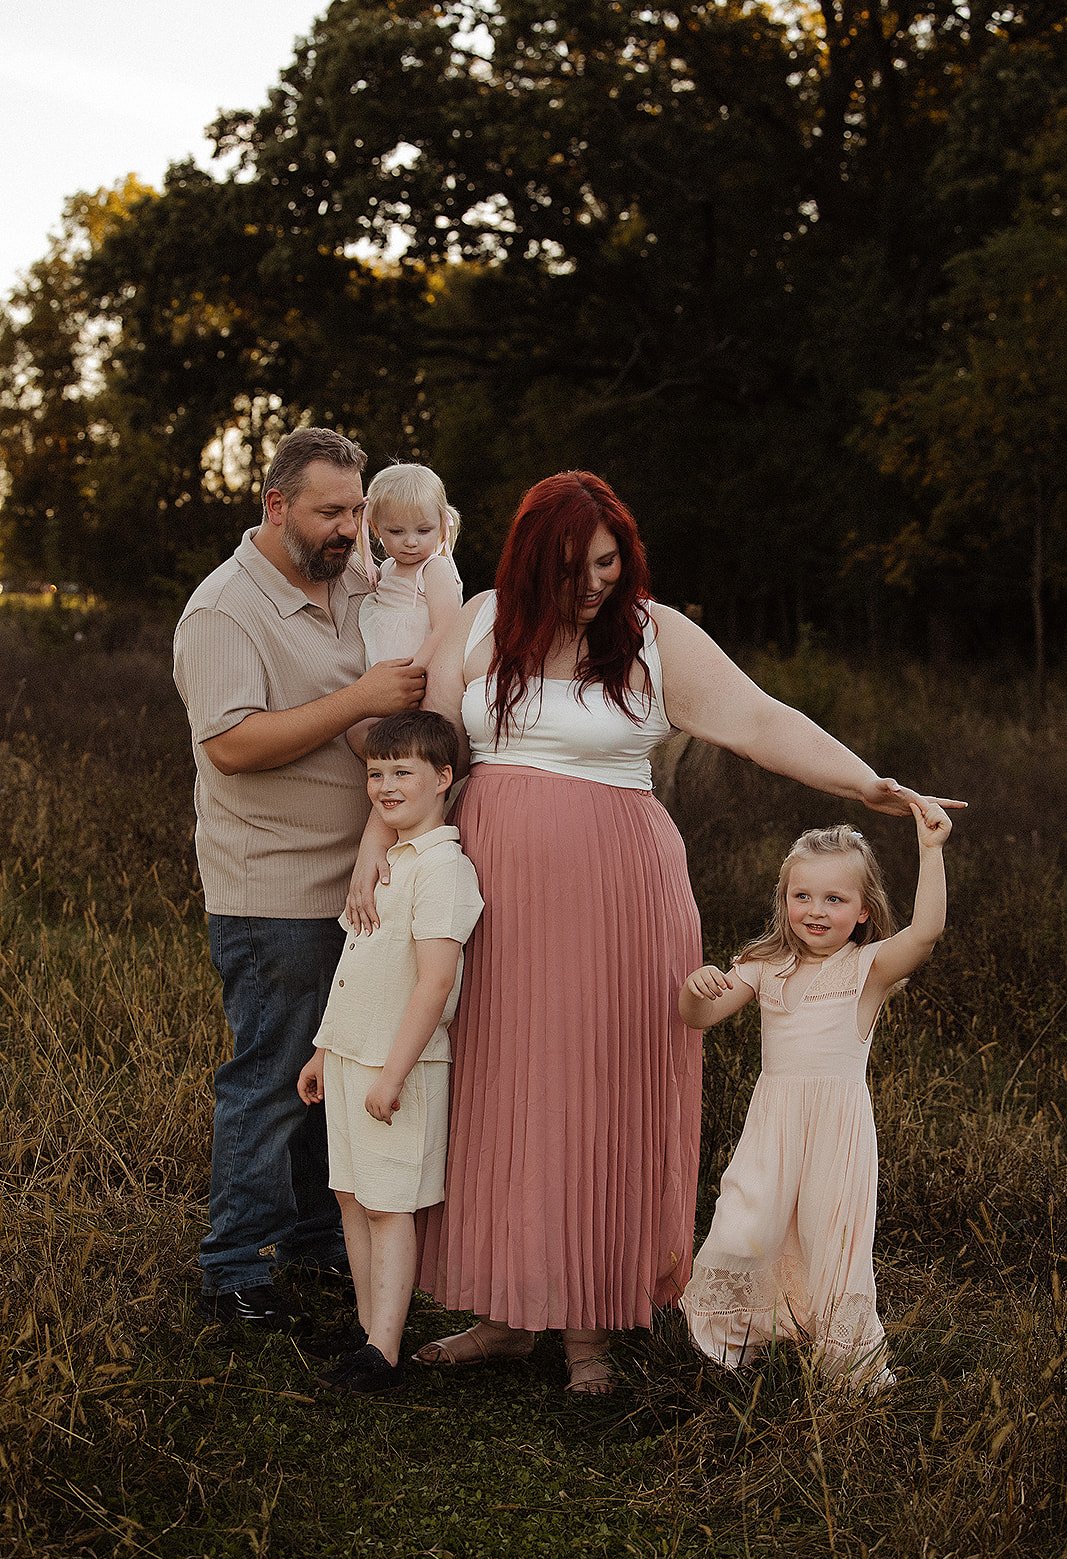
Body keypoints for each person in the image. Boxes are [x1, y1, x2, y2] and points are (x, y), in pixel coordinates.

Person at [346, 469, 964, 1395]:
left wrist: (867, 783)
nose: (592, 583)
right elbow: (423, 746)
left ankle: (588, 1330)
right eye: (571, 568)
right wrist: (371, 848)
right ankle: (506, 1312)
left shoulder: (652, 632)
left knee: (600, 1088)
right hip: (492, 899)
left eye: (606, 562)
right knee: (496, 1086)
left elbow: (760, 720)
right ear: (526, 565)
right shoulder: (476, 622)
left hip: (618, 897)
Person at [173, 426, 426, 1331]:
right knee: (274, 1078)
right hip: (270, 893)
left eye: (356, 509)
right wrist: (359, 703)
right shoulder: (223, 612)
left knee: (342, 1072)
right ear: (275, 505)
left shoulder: (353, 576)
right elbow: (232, 746)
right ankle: (234, 1270)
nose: (350, 528)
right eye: (331, 510)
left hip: (362, 887)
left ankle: (321, 1238)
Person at [678, 806, 951, 1388]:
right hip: (773, 1127)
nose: (816, 911)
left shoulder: (867, 970)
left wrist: (931, 852)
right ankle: (728, 1349)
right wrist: (694, 988)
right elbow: (699, 1017)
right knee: (743, 1223)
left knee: (831, 1241)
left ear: (863, 912)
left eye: (835, 899)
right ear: (785, 903)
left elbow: (925, 933)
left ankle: (845, 1368)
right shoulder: (763, 965)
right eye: (802, 896)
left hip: (838, 1133)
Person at [296, 711, 483, 1392]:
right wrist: (323, 1050)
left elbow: (435, 983)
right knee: (350, 1194)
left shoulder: (444, 870)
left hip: (395, 1065)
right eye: (376, 773)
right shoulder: (387, 860)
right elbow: (357, 966)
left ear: (442, 779)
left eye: (401, 772)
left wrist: (393, 1074)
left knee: (387, 1205)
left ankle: (384, 1348)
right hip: (349, 1054)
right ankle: (365, 1328)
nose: (385, 785)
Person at [356, 463, 464, 672]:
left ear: (441, 525)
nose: (411, 541)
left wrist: (414, 670)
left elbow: (447, 627)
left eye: (423, 531)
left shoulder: (434, 569)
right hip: (384, 678)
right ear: (376, 528)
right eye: (397, 531)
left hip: (420, 672)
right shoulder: (386, 568)